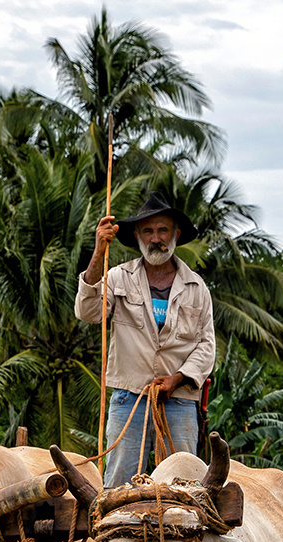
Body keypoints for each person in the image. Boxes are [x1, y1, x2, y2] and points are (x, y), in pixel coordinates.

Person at [75, 193, 216, 488]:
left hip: (179, 400)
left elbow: (206, 346)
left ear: (176, 235)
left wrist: (177, 379)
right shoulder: (117, 277)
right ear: (138, 236)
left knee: (184, 487)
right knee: (119, 485)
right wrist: (99, 252)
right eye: (148, 231)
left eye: (163, 230)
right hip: (129, 397)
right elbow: (88, 313)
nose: (156, 238)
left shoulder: (196, 287)